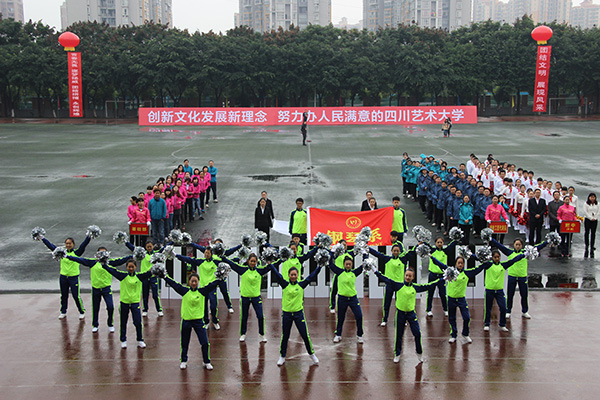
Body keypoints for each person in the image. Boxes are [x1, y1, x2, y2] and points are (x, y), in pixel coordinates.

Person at [374, 267, 439, 363]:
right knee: (399, 335)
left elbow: (428, 286)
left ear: (413, 277)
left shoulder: (415, 287)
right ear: (404, 276)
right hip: (400, 314)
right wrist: (374, 270)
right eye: (406, 275)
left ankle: (419, 353)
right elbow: (385, 279)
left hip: (411, 314)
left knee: (417, 333)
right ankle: (397, 354)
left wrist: (443, 279)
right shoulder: (398, 285)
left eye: (410, 276)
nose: (408, 277)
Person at [162, 272, 220, 370]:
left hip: (198, 322)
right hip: (186, 321)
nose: (193, 283)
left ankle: (206, 361)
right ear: (189, 282)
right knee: (184, 342)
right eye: (192, 281)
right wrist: (164, 277)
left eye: (195, 281)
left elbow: (212, 285)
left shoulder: (202, 291)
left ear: (198, 282)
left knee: (205, 342)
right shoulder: (184, 291)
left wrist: (220, 278)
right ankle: (183, 360)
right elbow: (174, 284)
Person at [65, 249, 131, 332]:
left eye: (104, 252)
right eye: (100, 253)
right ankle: (95, 325)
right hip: (96, 289)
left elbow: (121, 260)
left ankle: (110, 324)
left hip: (106, 289)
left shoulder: (110, 262)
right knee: (95, 308)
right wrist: (67, 256)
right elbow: (80, 259)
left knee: (110, 307)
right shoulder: (92, 262)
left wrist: (132, 255)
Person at [270, 264, 322, 366]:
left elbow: (311, 276)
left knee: (305, 335)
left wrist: (319, 267)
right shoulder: (285, 284)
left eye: (295, 275)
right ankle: (282, 356)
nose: (293, 276)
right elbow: (277, 275)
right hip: (287, 314)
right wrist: (270, 264)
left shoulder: (301, 285)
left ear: (298, 275)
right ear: (289, 275)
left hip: (298, 314)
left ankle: (312, 354)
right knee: (285, 336)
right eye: (291, 275)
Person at [430, 255, 482, 343]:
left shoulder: (467, 273)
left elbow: (478, 269)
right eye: (459, 263)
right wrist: (432, 257)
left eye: (462, 263)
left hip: (461, 299)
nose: (460, 264)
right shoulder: (450, 271)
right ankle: (453, 335)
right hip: (451, 299)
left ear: (464, 264)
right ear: (456, 264)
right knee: (452, 318)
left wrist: (485, 261)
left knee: (467, 317)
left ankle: (465, 334)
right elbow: (440, 265)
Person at [490, 237, 547, 319]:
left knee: (524, 295)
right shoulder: (509, 252)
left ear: (522, 245)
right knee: (510, 294)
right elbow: (499, 246)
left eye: (519, 245)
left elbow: (538, 247)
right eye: (516, 244)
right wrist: (491, 239)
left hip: (522, 277)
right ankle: (508, 311)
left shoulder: (526, 253)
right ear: (513, 245)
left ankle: (525, 311)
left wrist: (547, 242)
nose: (517, 246)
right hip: (512, 276)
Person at [221, 254, 271, 342]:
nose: (253, 263)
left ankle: (262, 334)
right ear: (248, 261)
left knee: (260, 316)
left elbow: (270, 267)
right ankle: (243, 334)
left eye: (254, 261)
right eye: (251, 261)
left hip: (256, 298)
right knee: (244, 316)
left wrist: (280, 259)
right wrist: (223, 258)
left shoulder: (260, 271)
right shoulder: (242, 270)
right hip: (245, 298)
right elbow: (232, 264)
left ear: (256, 262)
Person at [102, 259, 152, 348]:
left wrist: (157, 264)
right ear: (126, 267)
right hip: (124, 303)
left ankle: (140, 340)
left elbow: (150, 272)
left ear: (135, 267)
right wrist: (104, 265)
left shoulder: (140, 276)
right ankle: (123, 340)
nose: (131, 268)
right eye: (129, 267)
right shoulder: (122, 276)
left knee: (138, 322)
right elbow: (113, 271)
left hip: (135, 303)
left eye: (132, 267)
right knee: (123, 322)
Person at [42, 233, 91, 319]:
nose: (68, 245)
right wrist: (42, 238)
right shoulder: (61, 253)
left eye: (70, 243)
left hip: (74, 278)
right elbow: (50, 246)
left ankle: (81, 311)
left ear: (73, 244)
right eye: (67, 243)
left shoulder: (77, 253)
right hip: (63, 277)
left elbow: (84, 245)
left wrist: (89, 236)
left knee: (76, 296)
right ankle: (63, 311)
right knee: (64, 295)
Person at [476, 250, 525, 332]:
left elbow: (513, 260)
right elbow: (478, 259)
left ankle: (502, 324)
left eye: (498, 257)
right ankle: (487, 324)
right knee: (488, 308)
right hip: (489, 290)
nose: (497, 258)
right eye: (495, 257)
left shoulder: (503, 265)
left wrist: (524, 255)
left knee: (503, 308)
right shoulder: (488, 265)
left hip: (499, 291)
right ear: (492, 257)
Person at [368, 244, 415, 326]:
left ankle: (402, 320)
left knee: (400, 304)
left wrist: (417, 245)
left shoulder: (403, 259)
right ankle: (385, 319)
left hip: (400, 286)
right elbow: (377, 254)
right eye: (394, 251)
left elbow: (412, 253)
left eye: (397, 251)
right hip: (390, 284)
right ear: (391, 251)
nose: (396, 252)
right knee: (387, 303)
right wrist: (367, 248)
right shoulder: (387, 259)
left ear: (400, 251)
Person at [176, 247, 221, 329]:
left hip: (212, 288)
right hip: (203, 288)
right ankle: (206, 321)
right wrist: (176, 255)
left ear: (211, 254)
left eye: (208, 253)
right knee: (204, 306)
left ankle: (214, 321)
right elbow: (189, 259)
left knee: (213, 306)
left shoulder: (216, 262)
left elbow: (228, 262)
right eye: (205, 253)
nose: (206, 254)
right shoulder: (200, 262)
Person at [328, 255, 365, 344]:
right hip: (342, 299)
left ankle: (359, 335)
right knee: (340, 317)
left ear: (352, 264)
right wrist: (332, 253)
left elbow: (364, 265)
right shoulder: (339, 272)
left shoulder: (354, 273)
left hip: (353, 298)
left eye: (349, 264)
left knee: (359, 316)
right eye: (346, 264)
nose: (348, 266)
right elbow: (331, 264)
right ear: (344, 264)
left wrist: (364, 254)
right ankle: (338, 334)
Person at [125, 240, 164, 317]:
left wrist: (172, 242)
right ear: (145, 247)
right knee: (145, 295)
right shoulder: (143, 254)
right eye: (147, 247)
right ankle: (145, 310)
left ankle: (159, 310)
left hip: (153, 277)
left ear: (153, 246)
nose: (149, 248)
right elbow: (133, 249)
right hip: (144, 277)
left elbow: (164, 249)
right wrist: (126, 242)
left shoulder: (156, 254)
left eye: (150, 246)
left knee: (155, 295)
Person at [423, 237, 457, 317]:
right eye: (438, 242)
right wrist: (422, 239)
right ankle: (429, 310)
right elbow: (426, 244)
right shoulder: (432, 250)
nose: (439, 244)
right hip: (432, 275)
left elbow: (452, 245)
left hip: (442, 276)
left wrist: (456, 238)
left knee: (443, 294)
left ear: (443, 243)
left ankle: (446, 309)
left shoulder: (445, 251)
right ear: (435, 243)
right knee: (430, 293)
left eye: (441, 242)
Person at [329, 239, 352, 314]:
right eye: (342, 245)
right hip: (338, 274)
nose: (344, 246)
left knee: (348, 291)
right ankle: (332, 306)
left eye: (345, 245)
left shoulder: (350, 253)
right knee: (334, 291)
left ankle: (349, 305)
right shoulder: (336, 253)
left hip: (347, 275)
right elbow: (330, 256)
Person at [583, 193, 598, 258]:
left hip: (595, 220)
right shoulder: (586, 204)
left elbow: (598, 211)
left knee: (593, 233)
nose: (592, 198)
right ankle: (587, 245)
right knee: (587, 232)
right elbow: (585, 212)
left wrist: (595, 217)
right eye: (591, 197)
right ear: (589, 197)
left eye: (593, 197)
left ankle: (592, 246)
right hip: (587, 219)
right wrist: (590, 218)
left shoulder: (597, 204)